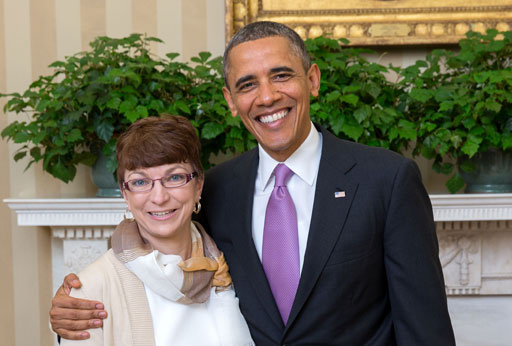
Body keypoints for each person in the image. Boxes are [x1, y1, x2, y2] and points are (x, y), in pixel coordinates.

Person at [50, 22, 455, 345]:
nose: (266, 97)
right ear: (230, 100)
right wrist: (77, 300)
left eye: (281, 76)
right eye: (247, 85)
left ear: (312, 80)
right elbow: (158, 237)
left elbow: (425, 327)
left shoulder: (386, 180)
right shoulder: (219, 189)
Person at [59, 116, 254, 346]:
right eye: (140, 182)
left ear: (198, 185)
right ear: (125, 194)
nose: (159, 197)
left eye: (175, 177)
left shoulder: (230, 265)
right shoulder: (91, 290)